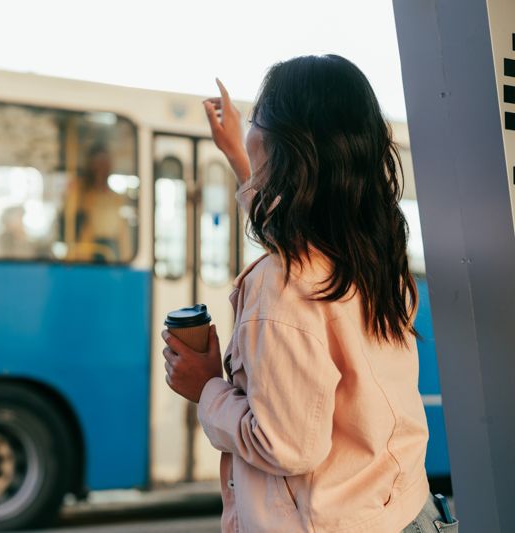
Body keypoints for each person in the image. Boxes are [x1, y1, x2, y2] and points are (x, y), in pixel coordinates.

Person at [162, 57, 457, 532]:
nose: (250, 128)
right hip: (406, 513)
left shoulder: (280, 285)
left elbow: (287, 447)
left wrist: (205, 388)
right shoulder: (374, 249)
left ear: (287, 146)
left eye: (257, 118)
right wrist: (240, 156)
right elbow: (295, 224)